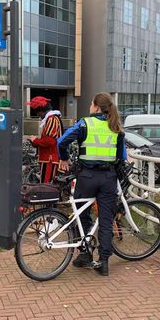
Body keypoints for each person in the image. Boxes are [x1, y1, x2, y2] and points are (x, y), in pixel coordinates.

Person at [56, 92, 127, 276]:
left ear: (95, 107)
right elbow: (122, 157)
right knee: (105, 220)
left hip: (87, 177)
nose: (89, 107)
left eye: (90, 104)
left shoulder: (85, 123)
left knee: (82, 216)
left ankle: (85, 255)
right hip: (108, 179)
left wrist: (64, 158)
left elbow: (62, 141)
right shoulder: (116, 127)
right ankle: (103, 263)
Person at [28, 96, 62, 183]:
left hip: (49, 160)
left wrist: (35, 140)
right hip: (48, 159)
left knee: (46, 185)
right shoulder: (52, 119)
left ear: (41, 110)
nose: (37, 115)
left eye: (37, 112)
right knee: (46, 184)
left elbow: (50, 141)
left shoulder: (52, 119)